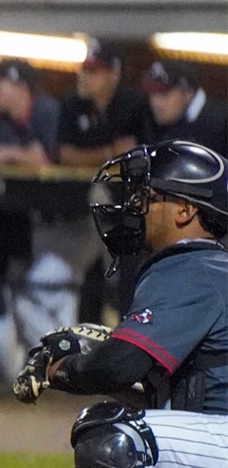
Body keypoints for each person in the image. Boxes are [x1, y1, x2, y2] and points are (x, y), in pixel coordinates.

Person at [12, 140, 228, 468]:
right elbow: (163, 392)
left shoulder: (193, 265)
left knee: (113, 437)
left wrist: (68, 368)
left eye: (148, 196)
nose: (134, 205)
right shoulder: (213, 271)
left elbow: (119, 367)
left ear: (186, 211)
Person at [0, 60, 71, 377]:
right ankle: (56, 373)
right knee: (34, 303)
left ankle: (68, 368)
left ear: (20, 87)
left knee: (39, 300)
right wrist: (19, 156)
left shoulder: (47, 111)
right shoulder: (4, 121)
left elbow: (44, 160)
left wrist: (14, 156)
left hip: (71, 227)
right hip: (35, 227)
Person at [58, 40, 151, 325]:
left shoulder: (134, 104)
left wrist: (94, 157)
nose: (84, 76)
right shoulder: (72, 103)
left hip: (129, 208)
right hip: (81, 212)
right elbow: (65, 156)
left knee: (124, 278)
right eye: (84, 69)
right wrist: (110, 152)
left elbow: (137, 156)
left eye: (94, 71)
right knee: (87, 282)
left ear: (114, 74)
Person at [142, 59, 228, 154]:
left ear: (188, 94)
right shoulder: (147, 118)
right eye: (152, 93)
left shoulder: (222, 125)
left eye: (164, 94)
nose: (156, 102)